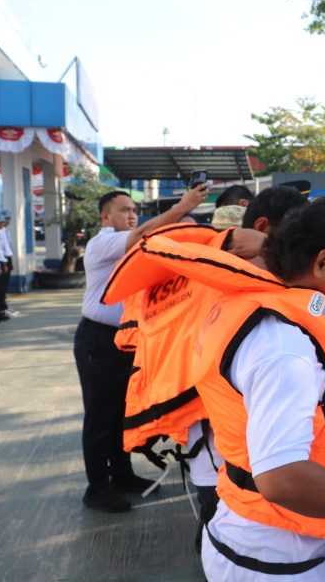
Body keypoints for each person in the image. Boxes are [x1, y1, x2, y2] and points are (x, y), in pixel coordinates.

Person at [133, 197, 325, 580]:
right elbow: (280, 476)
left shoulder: (248, 304)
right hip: (275, 556)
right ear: (322, 262)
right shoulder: (285, 346)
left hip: (264, 539)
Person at [74, 184, 208, 513]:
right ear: (106, 217)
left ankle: (121, 475)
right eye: (124, 210)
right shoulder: (102, 242)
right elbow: (142, 234)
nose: (132, 215)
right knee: (100, 416)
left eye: (134, 210)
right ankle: (97, 488)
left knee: (121, 413)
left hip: (126, 339)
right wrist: (181, 207)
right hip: (99, 340)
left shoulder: (131, 246)